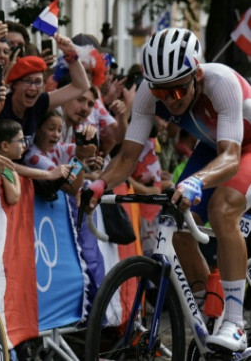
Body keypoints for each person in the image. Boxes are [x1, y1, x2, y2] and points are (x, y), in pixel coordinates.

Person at [84, 28, 251, 352]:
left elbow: (231, 157)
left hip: (242, 148)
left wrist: (195, 182)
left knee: (221, 209)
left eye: (178, 90)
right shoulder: (149, 94)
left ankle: (235, 323)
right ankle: (208, 310)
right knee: (176, 224)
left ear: (197, 75)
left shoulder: (221, 83)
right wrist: (100, 184)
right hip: (212, 147)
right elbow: (127, 157)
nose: (171, 100)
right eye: (161, 92)